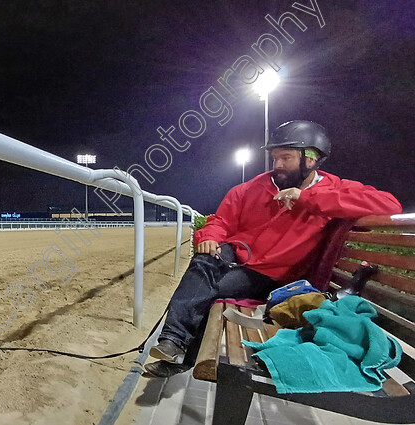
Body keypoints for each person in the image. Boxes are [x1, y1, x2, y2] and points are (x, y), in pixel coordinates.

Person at [145, 120, 402, 377]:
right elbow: (221, 221)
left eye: (286, 158)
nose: (277, 164)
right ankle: (173, 341)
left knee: (208, 288)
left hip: (272, 276)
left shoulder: (332, 188)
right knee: (205, 261)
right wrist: (210, 236)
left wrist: (308, 199)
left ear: (311, 159)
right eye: (275, 158)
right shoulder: (253, 187)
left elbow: (389, 205)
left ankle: (179, 351)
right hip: (237, 256)